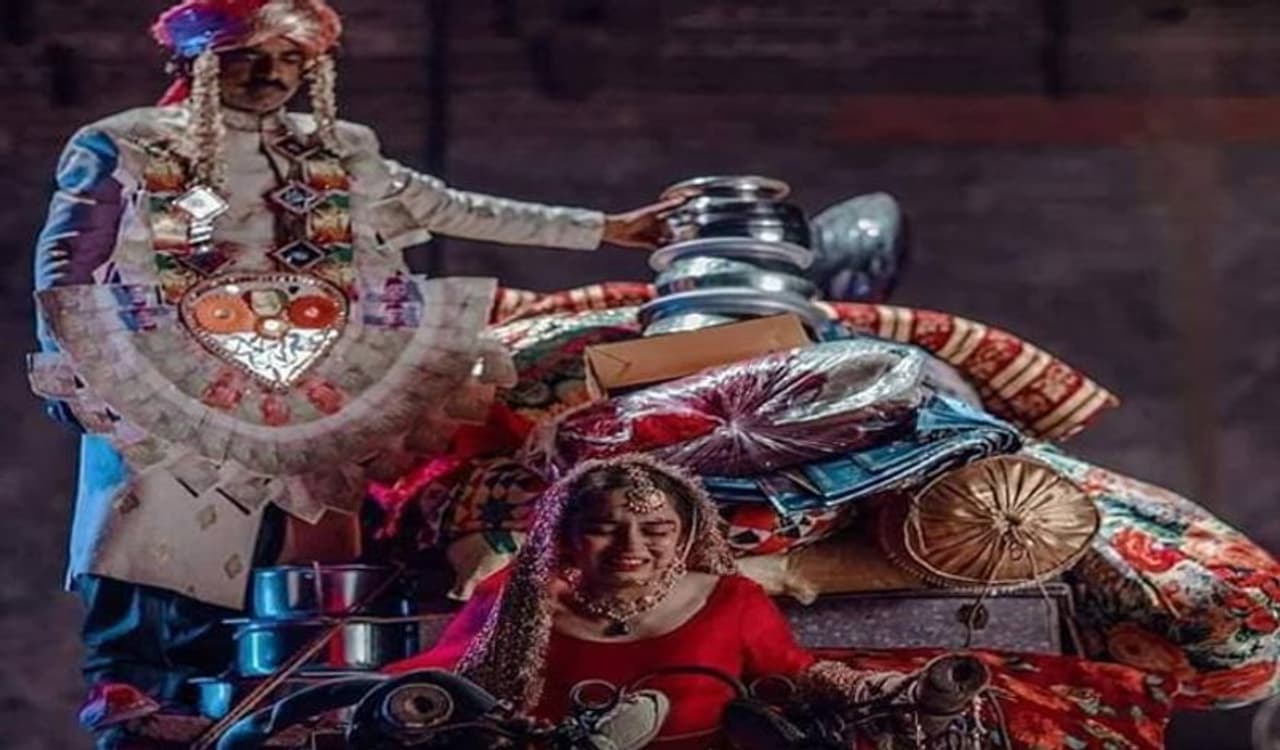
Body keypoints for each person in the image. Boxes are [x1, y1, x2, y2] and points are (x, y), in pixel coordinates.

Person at [30, 0, 679, 743]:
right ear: (194, 62)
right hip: (171, 372)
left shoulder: (339, 147)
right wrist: (73, 360)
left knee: (300, 540)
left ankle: (276, 699)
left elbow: (449, 207)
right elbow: (69, 257)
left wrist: (605, 229)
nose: (272, 74)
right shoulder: (125, 141)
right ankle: (139, 697)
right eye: (249, 56)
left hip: (308, 372)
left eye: (290, 60)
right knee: (159, 526)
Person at [384, 454, 936, 749]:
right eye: (604, 528)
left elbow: (797, 677)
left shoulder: (730, 599)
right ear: (566, 535)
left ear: (685, 535)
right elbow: (452, 679)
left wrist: (880, 689)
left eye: (656, 530)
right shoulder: (524, 597)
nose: (631, 547)